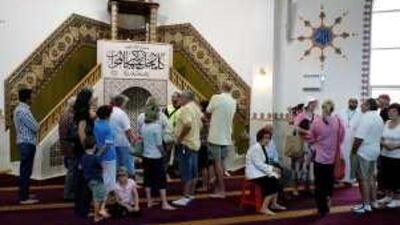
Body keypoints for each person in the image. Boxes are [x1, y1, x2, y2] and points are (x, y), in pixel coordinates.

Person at [308, 100, 345, 216]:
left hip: (319, 158)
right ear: (332, 109)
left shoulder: (316, 122)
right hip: (332, 159)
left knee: (319, 184)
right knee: (329, 182)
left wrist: (318, 141)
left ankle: (321, 208)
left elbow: (311, 137)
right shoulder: (338, 121)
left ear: (322, 108)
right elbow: (341, 137)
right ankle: (328, 201)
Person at [140, 97, 176, 210]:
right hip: (156, 157)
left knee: (147, 179)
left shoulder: (144, 127)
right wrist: (164, 153)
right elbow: (159, 144)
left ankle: (149, 201)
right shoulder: (156, 127)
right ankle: (164, 203)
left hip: (146, 156)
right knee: (161, 179)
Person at [352, 98, 384, 214]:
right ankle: (374, 202)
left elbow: (359, 138)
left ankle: (366, 205)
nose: (361, 106)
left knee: (363, 179)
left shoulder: (365, 118)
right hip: (375, 150)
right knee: (371, 178)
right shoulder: (378, 117)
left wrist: (353, 151)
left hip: (364, 151)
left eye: (363, 105)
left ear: (369, 106)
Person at [245, 128, 287, 215]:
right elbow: (259, 164)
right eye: (265, 138)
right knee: (273, 181)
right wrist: (272, 169)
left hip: (259, 172)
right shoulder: (256, 148)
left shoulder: (262, 147)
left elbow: (264, 163)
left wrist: (274, 170)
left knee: (277, 176)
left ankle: (274, 204)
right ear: (260, 138)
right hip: (254, 174)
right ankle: (264, 207)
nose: (267, 140)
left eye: (268, 138)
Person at [206, 81, 237, 199]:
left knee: (217, 164)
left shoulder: (216, 97)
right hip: (226, 136)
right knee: (221, 164)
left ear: (221, 87)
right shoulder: (233, 101)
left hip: (216, 136)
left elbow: (208, 111)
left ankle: (221, 190)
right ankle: (218, 188)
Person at [173, 91, 203, 206]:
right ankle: (190, 195)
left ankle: (185, 196)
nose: (178, 99)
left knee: (186, 171)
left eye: (180, 97)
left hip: (186, 144)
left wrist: (180, 139)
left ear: (185, 98)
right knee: (194, 171)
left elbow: (188, 125)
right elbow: (202, 123)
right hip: (195, 143)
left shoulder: (185, 109)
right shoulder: (196, 108)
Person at [73, 88, 97, 217]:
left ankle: (82, 208)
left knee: (83, 180)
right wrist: (86, 148)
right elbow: (81, 131)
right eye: (92, 96)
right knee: (84, 181)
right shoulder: (82, 113)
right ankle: (83, 210)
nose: (94, 98)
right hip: (83, 150)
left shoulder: (82, 111)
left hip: (82, 150)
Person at [13, 88, 39, 205]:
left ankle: (25, 194)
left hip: (25, 142)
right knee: (25, 171)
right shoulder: (23, 110)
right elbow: (35, 127)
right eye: (32, 96)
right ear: (27, 98)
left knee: (26, 171)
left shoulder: (21, 109)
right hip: (26, 142)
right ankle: (24, 198)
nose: (33, 98)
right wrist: (37, 124)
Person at [81, 136, 110, 223]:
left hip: (89, 181)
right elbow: (103, 166)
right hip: (98, 180)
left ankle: (100, 211)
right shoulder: (95, 158)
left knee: (98, 196)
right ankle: (97, 215)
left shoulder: (84, 157)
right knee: (100, 197)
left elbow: (80, 167)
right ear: (94, 146)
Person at [377, 103, 400, 208]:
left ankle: (396, 199)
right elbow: (380, 137)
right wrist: (384, 144)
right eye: (389, 111)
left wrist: (394, 146)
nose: (390, 113)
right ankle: (388, 196)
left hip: (397, 156)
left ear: (398, 112)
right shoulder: (386, 123)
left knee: (396, 178)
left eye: (393, 111)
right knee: (386, 177)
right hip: (385, 154)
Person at [293, 97, 318, 194]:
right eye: (312, 104)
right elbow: (296, 128)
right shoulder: (301, 115)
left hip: (312, 145)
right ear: (308, 104)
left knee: (309, 167)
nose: (314, 106)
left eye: (315, 104)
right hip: (301, 143)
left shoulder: (316, 116)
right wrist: (307, 131)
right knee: (298, 166)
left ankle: (307, 187)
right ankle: (296, 188)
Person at [110, 95, 138, 176]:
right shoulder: (121, 113)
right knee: (128, 161)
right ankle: (131, 177)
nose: (125, 105)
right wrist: (134, 139)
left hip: (111, 142)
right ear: (122, 103)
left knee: (116, 163)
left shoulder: (110, 111)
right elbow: (128, 130)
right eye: (125, 103)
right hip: (122, 142)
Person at [337, 98, 361, 184]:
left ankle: (351, 178)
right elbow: (337, 124)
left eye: (355, 102)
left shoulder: (360, 114)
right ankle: (342, 177)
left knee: (351, 159)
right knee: (343, 158)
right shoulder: (341, 112)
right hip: (342, 139)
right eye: (352, 102)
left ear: (357, 104)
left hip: (353, 139)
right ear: (348, 103)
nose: (353, 104)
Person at [94, 105, 117, 193]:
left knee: (101, 177)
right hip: (108, 156)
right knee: (109, 180)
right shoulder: (108, 127)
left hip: (98, 153)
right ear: (108, 115)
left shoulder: (95, 125)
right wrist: (99, 155)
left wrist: (96, 155)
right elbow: (107, 145)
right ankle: (104, 201)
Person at [58, 97, 76, 201]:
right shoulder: (70, 116)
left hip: (66, 145)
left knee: (70, 170)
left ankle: (70, 192)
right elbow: (72, 133)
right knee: (72, 171)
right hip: (70, 146)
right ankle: (68, 194)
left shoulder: (64, 114)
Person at [163, 91, 182, 177]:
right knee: (167, 153)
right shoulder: (167, 108)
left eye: (175, 97)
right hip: (168, 135)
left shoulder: (182, 109)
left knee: (178, 154)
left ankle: (176, 171)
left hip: (179, 135)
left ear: (179, 98)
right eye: (172, 97)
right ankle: (166, 171)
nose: (173, 99)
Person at [198, 101, 212, 192]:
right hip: (209, 142)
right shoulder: (211, 117)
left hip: (203, 143)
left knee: (203, 166)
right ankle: (209, 184)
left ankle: (205, 185)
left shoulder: (202, 117)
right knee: (208, 165)